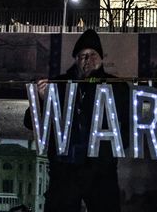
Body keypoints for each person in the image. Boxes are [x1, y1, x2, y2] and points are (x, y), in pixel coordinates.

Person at [24, 29, 129, 211]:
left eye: (92, 55)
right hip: (65, 169)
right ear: (75, 59)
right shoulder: (58, 84)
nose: (87, 60)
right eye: (82, 55)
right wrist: (42, 100)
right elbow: (29, 121)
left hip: (100, 170)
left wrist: (111, 150)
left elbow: (129, 125)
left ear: (101, 58)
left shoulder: (117, 86)